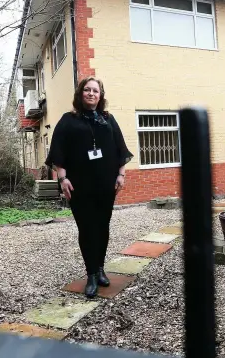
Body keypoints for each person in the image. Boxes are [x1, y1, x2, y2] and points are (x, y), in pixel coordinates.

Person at [45, 77, 133, 298]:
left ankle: (101, 268)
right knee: (86, 228)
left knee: (102, 226)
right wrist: (63, 179)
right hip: (79, 186)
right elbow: (58, 151)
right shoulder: (69, 120)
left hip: (106, 184)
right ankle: (91, 274)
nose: (91, 93)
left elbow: (120, 148)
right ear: (80, 94)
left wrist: (121, 174)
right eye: (87, 90)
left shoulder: (108, 119)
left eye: (95, 90)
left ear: (100, 95)